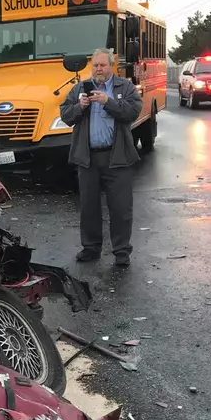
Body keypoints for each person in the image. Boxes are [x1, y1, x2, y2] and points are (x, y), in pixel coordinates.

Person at [58, 48, 143, 268]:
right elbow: (65, 115)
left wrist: (108, 101)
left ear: (111, 66)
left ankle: (121, 251)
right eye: (95, 65)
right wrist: (80, 106)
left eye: (103, 65)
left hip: (118, 158)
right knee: (89, 207)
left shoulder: (125, 87)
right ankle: (91, 248)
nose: (98, 69)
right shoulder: (80, 88)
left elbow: (133, 112)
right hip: (88, 159)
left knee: (121, 207)